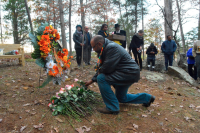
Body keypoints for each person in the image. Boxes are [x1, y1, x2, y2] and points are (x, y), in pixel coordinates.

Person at [85, 35, 155, 115]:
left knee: (101, 78)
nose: (93, 50)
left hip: (128, 73)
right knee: (121, 98)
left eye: (93, 47)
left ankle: (112, 108)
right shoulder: (105, 48)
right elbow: (102, 67)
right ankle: (147, 98)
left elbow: (106, 68)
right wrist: (91, 80)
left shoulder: (111, 48)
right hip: (126, 73)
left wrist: (95, 78)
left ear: (99, 44)